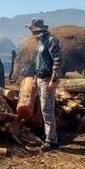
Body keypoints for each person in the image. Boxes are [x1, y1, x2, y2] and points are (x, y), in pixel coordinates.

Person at [26, 18, 62, 152]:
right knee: (43, 108)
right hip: (40, 78)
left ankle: (52, 141)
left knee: (47, 109)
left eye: (31, 28)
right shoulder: (40, 41)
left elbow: (57, 61)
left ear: (37, 29)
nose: (30, 31)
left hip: (48, 79)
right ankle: (49, 134)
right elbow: (39, 61)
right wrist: (36, 76)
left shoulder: (51, 40)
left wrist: (54, 79)